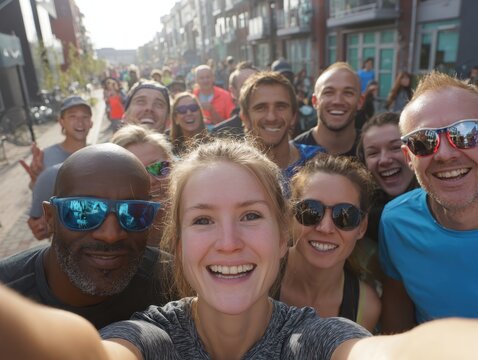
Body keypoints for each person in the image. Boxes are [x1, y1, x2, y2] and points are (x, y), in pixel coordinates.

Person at [3, 141, 478, 359]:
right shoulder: (150, 338)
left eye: (251, 215)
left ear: (283, 236)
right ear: (179, 242)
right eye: (203, 219)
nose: (228, 241)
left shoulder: (317, 338)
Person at [0, 144, 173, 329]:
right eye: (83, 211)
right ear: (50, 217)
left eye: (134, 213)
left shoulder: (172, 283)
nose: (111, 235)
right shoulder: (6, 296)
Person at [379, 71, 478, 333]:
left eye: (466, 132)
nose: (445, 154)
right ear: (408, 157)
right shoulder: (396, 222)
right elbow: (396, 321)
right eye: (423, 141)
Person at [276, 154, 381, 332]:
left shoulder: (365, 308)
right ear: (290, 216)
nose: (325, 228)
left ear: (362, 227)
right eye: (311, 210)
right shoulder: (260, 279)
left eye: (344, 215)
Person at [22, 96, 93, 240]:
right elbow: (39, 197)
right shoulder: (45, 156)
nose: (80, 122)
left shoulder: (98, 156)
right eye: (72, 116)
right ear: (61, 121)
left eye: (85, 116)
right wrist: (36, 180)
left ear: (91, 122)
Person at [239, 71, 325, 186]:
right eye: (261, 108)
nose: (271, 117)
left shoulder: (316, 161)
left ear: (293, 116)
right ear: (245, 118)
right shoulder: (234, 170)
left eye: (280, 107)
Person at [356, 112, 417, 243]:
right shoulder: (363, 219)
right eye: (373, 153)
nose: (384, 160)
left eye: (395, 148)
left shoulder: (443, 207)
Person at [111, 125, 174, 247]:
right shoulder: (113, 234)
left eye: (158, 168)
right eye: (136, 173)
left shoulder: (197, 213)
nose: (151, 180)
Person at [294, 62, 362, 156]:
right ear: (314, 101)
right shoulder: (293, 153)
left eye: (348, 93)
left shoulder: (374, 149)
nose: (337, 101)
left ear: (360, 102)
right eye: (328, 93)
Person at [210, 61, 258, 138]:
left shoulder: (275, 124)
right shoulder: (222, 134)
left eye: (256, 84)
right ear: (233, 91)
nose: (253, 90)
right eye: (245, 86)